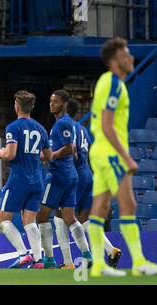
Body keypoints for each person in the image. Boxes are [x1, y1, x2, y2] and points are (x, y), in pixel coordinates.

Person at [88, 37, 157, 276]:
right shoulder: (114, 84)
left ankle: (98, 264)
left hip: (100, 151)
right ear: (116, 60)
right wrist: (126, 157)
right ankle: (138, 262)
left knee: (99, 208)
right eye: (126, 54)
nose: (131, 58)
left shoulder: (107, 82)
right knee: (129, 205)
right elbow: (108, 125)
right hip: (110, 154)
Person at [36, 89, 92, 269]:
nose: (52, 104)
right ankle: (87, 256)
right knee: (69, 218)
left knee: (41, 215)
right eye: (51, 101)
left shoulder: (62, 123)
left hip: (58, 177)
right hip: (70, 176)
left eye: (56, 102)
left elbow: (70, 149)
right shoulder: (64, 124)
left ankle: (49, 259)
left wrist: (50, 156)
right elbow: (70, 153)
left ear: (65, 104)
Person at [0, 90, 52, 269]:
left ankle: (23, 253)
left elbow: (10, 154)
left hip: (19, 180)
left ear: (16, 106)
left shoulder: (13, 127)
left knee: (3, 220)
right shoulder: (41, 128)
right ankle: (38, 261)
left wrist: (1, 153)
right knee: (30, 220)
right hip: (37, 180)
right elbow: (48, 156)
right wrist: (32, 155)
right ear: (32, 107)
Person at [67, 98, 122, 268]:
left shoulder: (66, 127)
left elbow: (71, 153)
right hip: (89, 175)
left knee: (62, 216)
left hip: (75, 176)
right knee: (84, 220)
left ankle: (69, 261)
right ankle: (111, 250)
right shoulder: (84, 129)